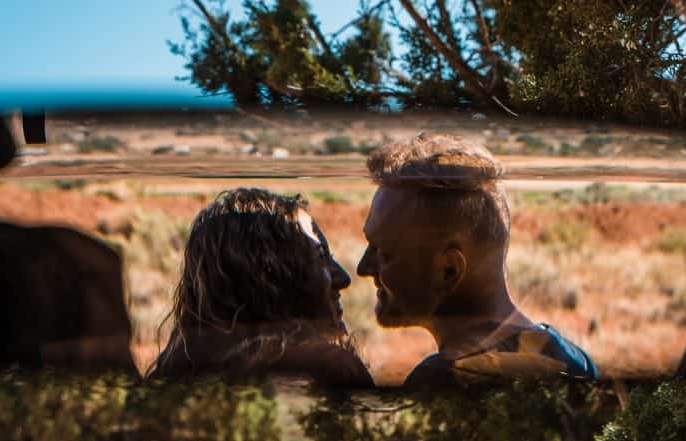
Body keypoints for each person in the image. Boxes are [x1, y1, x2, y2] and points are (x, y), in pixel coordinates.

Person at [356, 132, 598, 386]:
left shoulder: (445, 378)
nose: (363, 267)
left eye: (384, 252)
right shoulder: (577, 361)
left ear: (449, 269)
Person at [149, 188, 372, 387]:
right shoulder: (329, 368)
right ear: (271, 275)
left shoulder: (178, 372)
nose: (343, 278)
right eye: (320, 257)